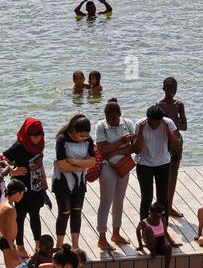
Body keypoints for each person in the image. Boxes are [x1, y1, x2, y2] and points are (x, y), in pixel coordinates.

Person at [93, 98, 136, 252]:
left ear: (120, 115)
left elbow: (134, 148)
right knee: (106, 201)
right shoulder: (101, 126)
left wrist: (114, 150)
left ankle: (116, 233)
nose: (111, 121)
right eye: (109, 118)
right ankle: (102, 237)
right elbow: (102, 150)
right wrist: (121, 143)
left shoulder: (128, 124)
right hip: (107, 167)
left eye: (114, 118)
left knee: (119, 200)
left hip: (123, 166)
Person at [52, 116, 97, 252]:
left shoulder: (88, 140)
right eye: (81, 135)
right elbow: (61, 164)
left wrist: (74, 162)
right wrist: (81, 165)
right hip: (62, 181)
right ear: (73, 131)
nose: (83, 138)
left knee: (77, 211)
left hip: (80, 182)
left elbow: (93, 161)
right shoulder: (62, 140)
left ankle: (75, 246)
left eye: (86, 135)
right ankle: (59, 246)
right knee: (64, 212)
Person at [2, 118, 49, 249]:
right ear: (27, 135)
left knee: (35, 215)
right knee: (20, 217)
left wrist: (44, 179)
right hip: (21, 188)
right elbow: (2, 159)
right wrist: (13, 171)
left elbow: (40, 162)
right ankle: (21, 246)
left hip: (37, 186)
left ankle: (38, 245)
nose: (38, 139)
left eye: (40, 136)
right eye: (34, 137)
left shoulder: (39, 145)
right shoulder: (19, 146)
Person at [132, 106, 180, 221]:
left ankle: (163, 229)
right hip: (144, 165)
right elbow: (137, 150)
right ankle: (144, 228)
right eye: (152, 123)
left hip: (163, 164)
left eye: (157, 123)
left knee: (163, 199)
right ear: (148, 119)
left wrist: (168, 131)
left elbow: (177, 145)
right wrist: (141, 132)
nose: (154, 126)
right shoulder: (140, 124)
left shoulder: (168, 123)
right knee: (146, 198)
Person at [157, 77, 187, 218]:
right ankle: (162, 206)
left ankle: (169, 206)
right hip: (164, 142)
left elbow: (184, 126)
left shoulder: (179, 104)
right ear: (163, 88)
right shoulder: (159, 105)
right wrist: (173, 123)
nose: (171, 91)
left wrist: (172, 123)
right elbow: (157, 126)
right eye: (168, 88)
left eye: (173, 89)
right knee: (163, 175)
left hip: (176, 142)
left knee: (173, 175)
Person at [136, 202, 177, 268]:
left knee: (168, 246)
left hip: (160, 243)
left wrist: (172, 242)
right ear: (150, 213)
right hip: (151, 243)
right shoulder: (144, 222)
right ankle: (153, 252)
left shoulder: (162, 219)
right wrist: (140, 245)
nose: (157, 217)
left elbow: (165, 232)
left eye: (159, 215)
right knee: (149, 229)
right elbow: (137, 230)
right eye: (155, 215)